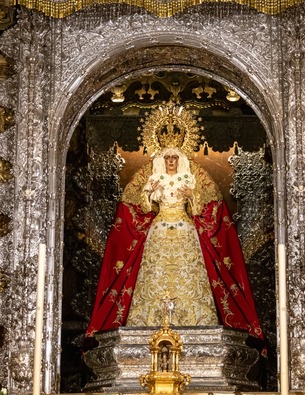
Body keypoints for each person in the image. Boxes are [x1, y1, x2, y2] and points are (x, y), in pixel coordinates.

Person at [85, 102, 263, 346]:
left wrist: (192, 196)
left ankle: (196, 322)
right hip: (158, 230)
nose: (170, 161)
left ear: (180, 157)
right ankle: (147, 324)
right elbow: (142, 208)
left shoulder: (194, 175)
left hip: (185, 229)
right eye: (166, 157)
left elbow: (203, 210)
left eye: (174, 157)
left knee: (187, 275)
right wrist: (150, 194)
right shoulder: (150, 176)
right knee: (155, 276)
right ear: (161, 157)